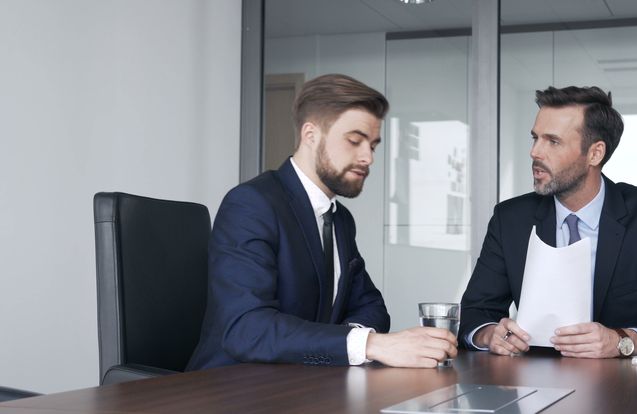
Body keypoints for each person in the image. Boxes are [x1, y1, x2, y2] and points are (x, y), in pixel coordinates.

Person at [187, 73, 456, 370]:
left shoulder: (339, 218)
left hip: (304, 384)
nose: (368, 157)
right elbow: (247, 328)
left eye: (373, 145)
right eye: (355, 141)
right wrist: (370, 344)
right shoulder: (252, 204)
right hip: (230, 391)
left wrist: (345, 346)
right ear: (310, 135)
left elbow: (371, 307)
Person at [459, 86, 637, 358]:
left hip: (629, 391)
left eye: (553, 141)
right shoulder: (510, 218)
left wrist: (622, 341)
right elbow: (475, 313)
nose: (535, 152)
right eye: (535, 138)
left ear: (595, 153)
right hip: (532, 384)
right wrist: (490, 335)